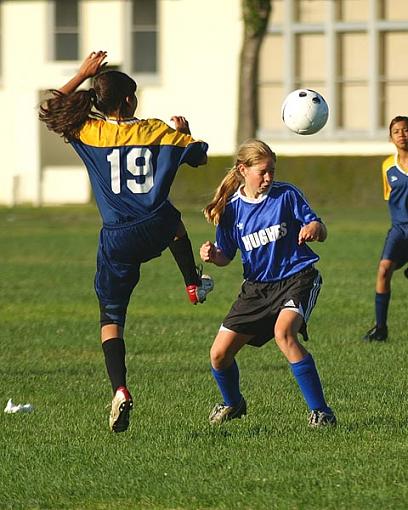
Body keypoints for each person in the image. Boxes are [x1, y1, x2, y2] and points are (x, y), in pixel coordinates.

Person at [39, 51, 213, 433]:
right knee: (174, 222)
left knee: (111, 318)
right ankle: (192, 283)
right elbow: (199, 155)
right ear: (130, 100)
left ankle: (119, 388)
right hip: (155, 225)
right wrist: (183, 132)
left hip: (117, 236)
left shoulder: (88, 131)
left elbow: (51, 109)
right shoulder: (155, 130)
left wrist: (81, 72)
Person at [199, 139, 336, 428]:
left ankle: (322, 413)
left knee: (284, 333)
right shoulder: (232, 209)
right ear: (242, 170)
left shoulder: (286, 195)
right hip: (257, 288)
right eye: (262, 171)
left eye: (272, 170)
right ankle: (233, 403)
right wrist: (213, 255)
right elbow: (227, 256)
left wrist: (314, 228)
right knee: (219, 355)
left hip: (297, 278)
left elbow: (320, 228)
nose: (269, 177)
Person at [364, 116, 408, 342]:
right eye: (397, 131)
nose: (402, 135)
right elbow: (389, 197)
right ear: (391, 137)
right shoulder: (387, 166)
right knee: (383, 270)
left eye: (406, 130)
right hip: (399, 230)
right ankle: (380, 328)